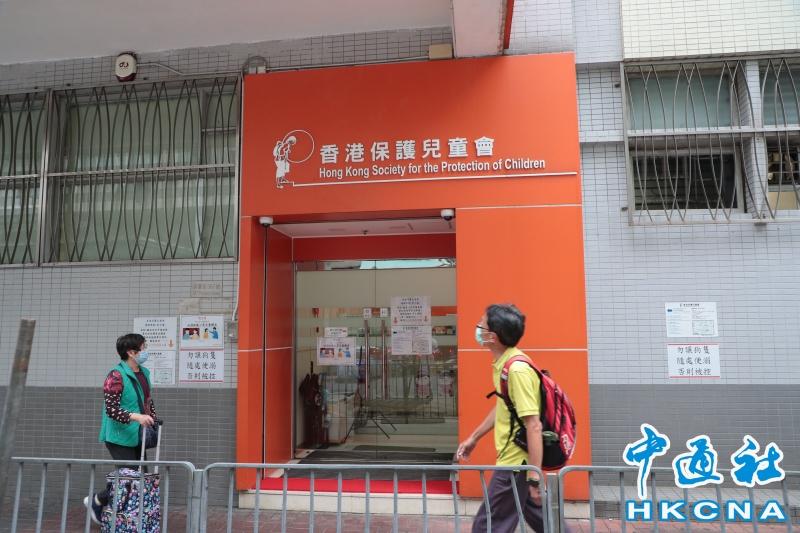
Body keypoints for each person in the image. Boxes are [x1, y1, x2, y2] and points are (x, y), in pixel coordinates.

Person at [456, 304, 571, 533]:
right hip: (518, 464)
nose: (477, 327)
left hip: (516, 465)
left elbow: (534, 425)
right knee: (547, 523)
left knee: (486, 526)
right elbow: (504, 407)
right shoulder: (505, 364)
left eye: (482, 324)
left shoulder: (516, 369)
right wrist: (474, 438)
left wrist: (534, 477)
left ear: (492, 337)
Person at [84, 333, 158, 525]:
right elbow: (111, 409)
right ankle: (98, 501)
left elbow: (147, 400)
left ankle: (126, 516)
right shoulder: (116, 375)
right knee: (130, 477)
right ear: (131, 352)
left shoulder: (144, 373)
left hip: (139, 434)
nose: (146, 351)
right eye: (143, 347)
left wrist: (152, 417)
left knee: (139, 478)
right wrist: (137, 417)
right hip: (119, 436)